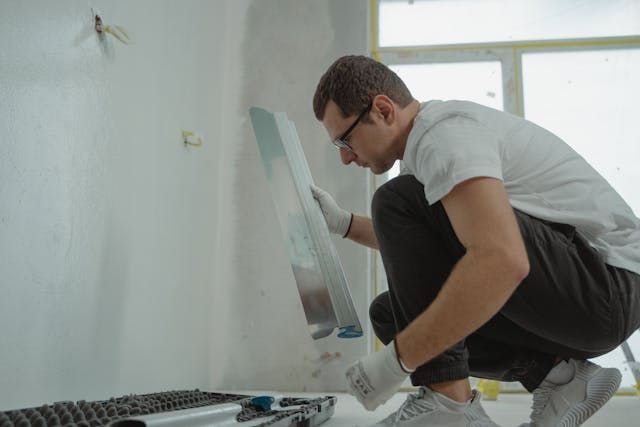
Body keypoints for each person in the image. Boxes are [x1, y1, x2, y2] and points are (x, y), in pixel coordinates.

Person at [310, 55, 640, 427]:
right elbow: (434, 248)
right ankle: (560, 378)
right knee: (392, 315)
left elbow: (503, 259)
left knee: (395, 201)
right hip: (580, 297)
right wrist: (343, 224)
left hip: (607, 286)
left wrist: (395, 362)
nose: (344, 157)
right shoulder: (425, 156)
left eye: (345, 138)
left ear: (383, 109)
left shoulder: (445, 136)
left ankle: (446, 405)